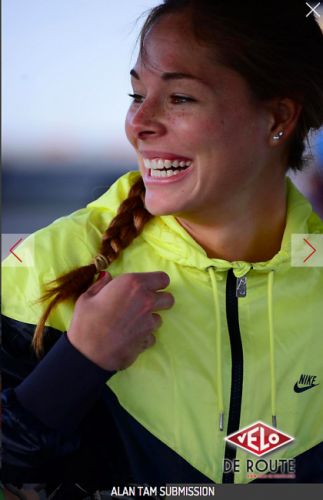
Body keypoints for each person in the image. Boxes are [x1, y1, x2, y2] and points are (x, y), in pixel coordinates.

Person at [2, 0, 323, 496]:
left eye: (180, 98)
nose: (140, 122)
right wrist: (79, 362)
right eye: (136, 94)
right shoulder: (46, 264)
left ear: (278, 116)